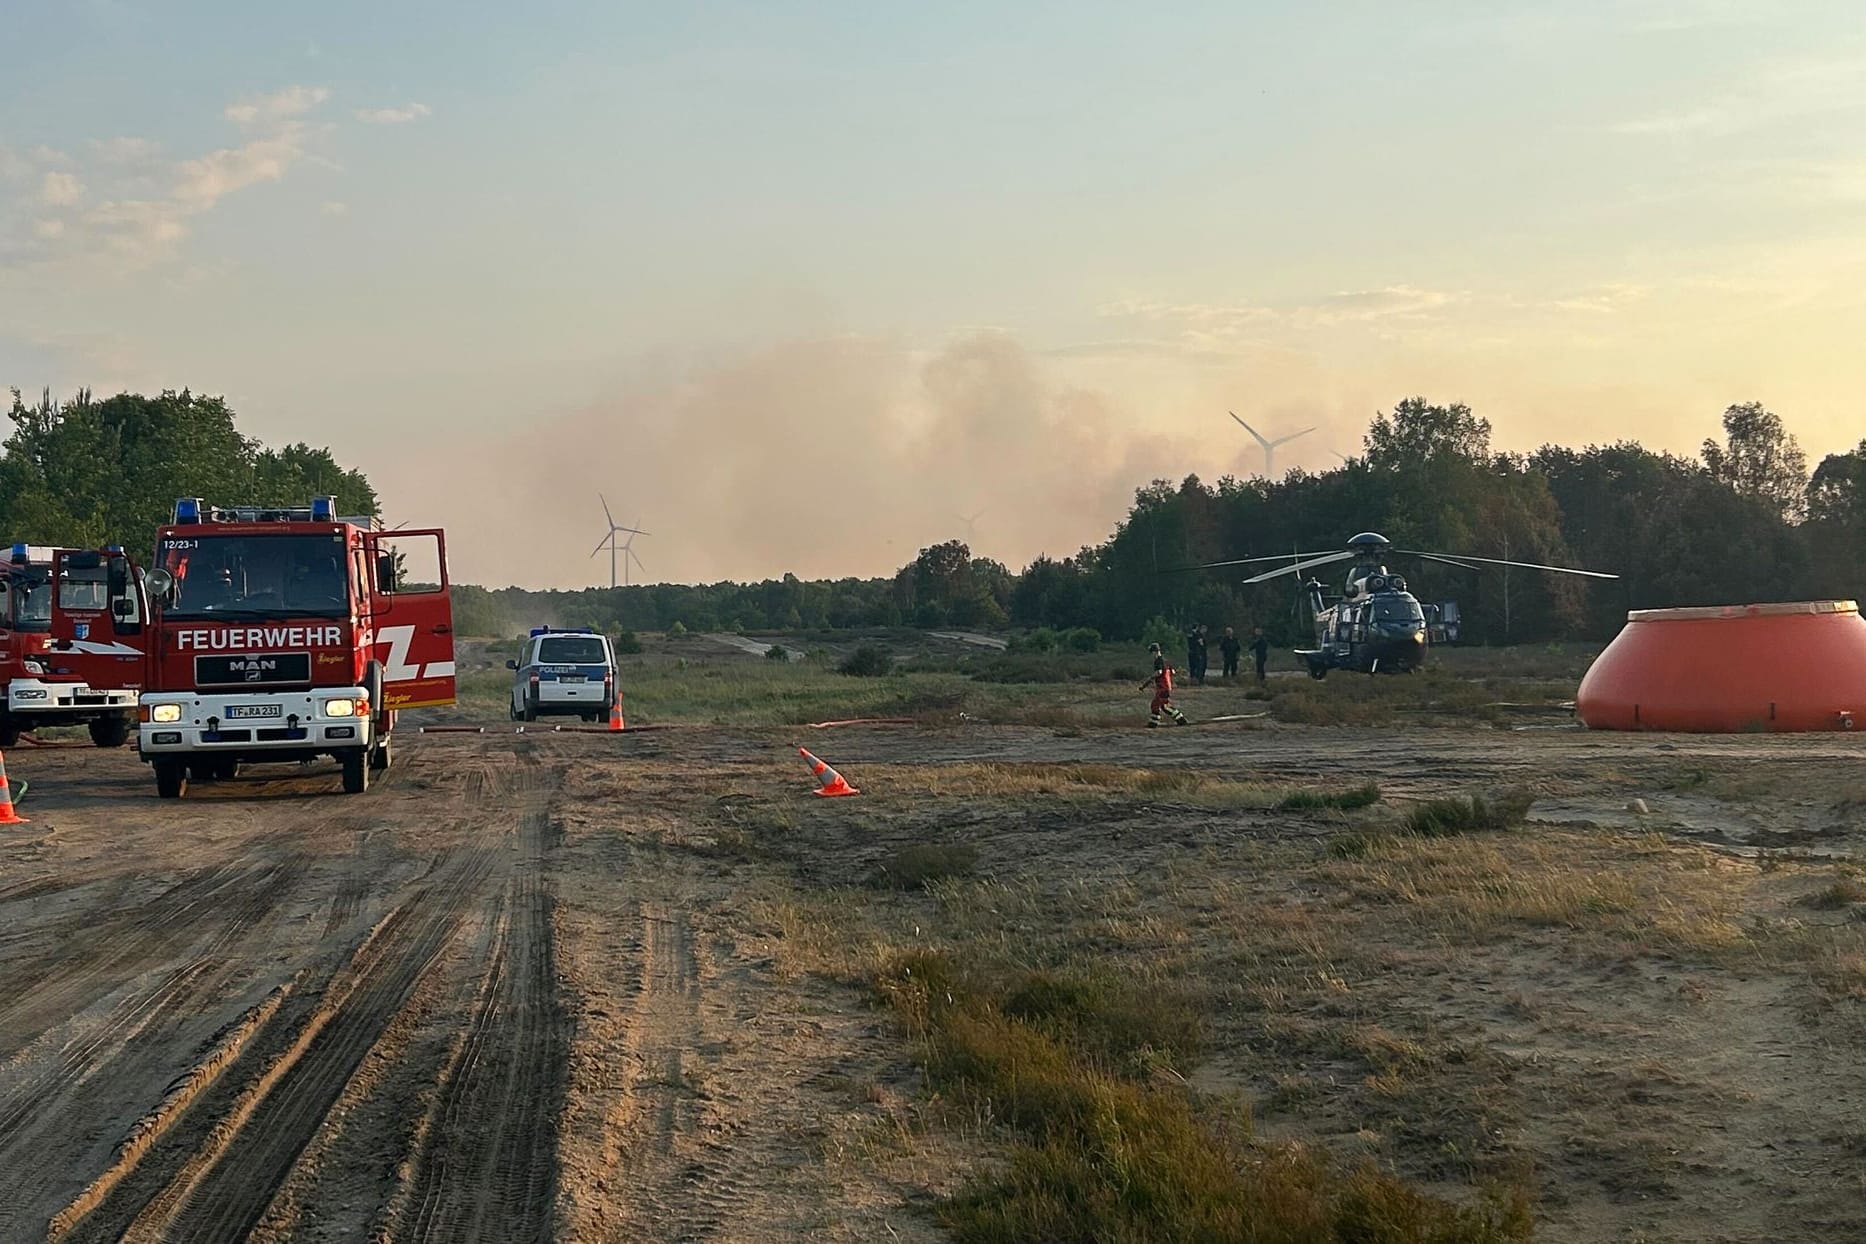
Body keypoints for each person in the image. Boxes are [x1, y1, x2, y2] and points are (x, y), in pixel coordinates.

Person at [1141, 642, 1188, 727]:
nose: (1151, 655)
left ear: (1154, 652)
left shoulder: (1158, 661)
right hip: (1166, 686)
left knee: (1156, 705)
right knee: (1163, 706)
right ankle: (1180, 719)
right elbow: (1172, 671)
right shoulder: (1165, 660)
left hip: (1162, 687)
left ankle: (1153, 724)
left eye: (1151, 653)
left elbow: (1159, 672)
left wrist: (1150, 679)